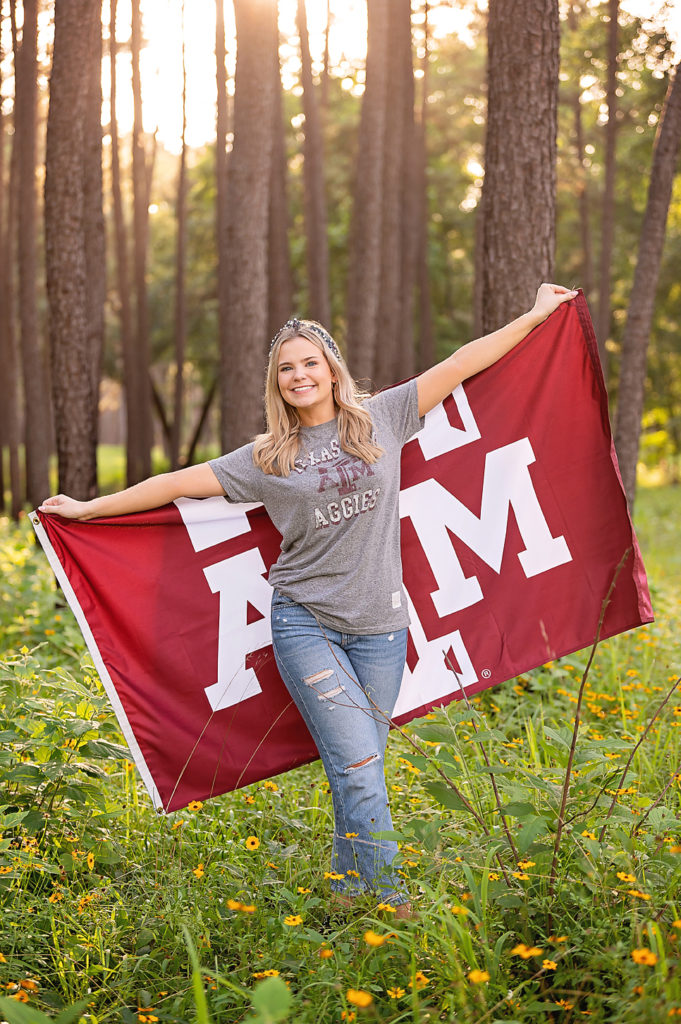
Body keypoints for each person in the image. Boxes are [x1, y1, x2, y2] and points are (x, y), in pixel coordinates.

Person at [40, 282, 577, 919]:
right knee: (356, 765)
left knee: (363, 767)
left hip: (383, 630)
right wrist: (89, 507)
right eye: (286, 368)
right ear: (278, 384)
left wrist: (539, 314)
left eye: (309, 362)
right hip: (306, 624)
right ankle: (388, 904)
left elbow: (462, 363)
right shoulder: (267, 457)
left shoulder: (386, 415)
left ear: (331, 369)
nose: (299, 375)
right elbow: (172, 485)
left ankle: (349, 893)